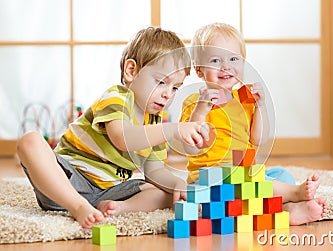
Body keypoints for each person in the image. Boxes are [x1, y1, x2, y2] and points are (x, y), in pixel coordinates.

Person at [16, 27, 209, 228]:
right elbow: (122, 138)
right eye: (161, 82)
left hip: (109, 191)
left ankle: (119, 208)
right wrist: (173, 129)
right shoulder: (118, 97)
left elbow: (154, 171)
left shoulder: (154, 122)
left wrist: (177, 183)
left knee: (165, 194)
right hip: (67, 181)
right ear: (131, 71)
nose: (168, 94)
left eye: (175, 87)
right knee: (30, 141)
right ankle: (77, 206)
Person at [180, 23, 327, 225]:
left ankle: (287, 211)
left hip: (247, 174)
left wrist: (260, 106)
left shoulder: (243, 102)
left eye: (233, 59)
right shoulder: (194, 104)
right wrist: (201, 111)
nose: (226, 66)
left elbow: (258, 139)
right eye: (216, 60)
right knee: (211, 190)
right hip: (210, 179)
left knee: (279, 175)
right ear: (199, 71)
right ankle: (293, 195)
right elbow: (190, 146)